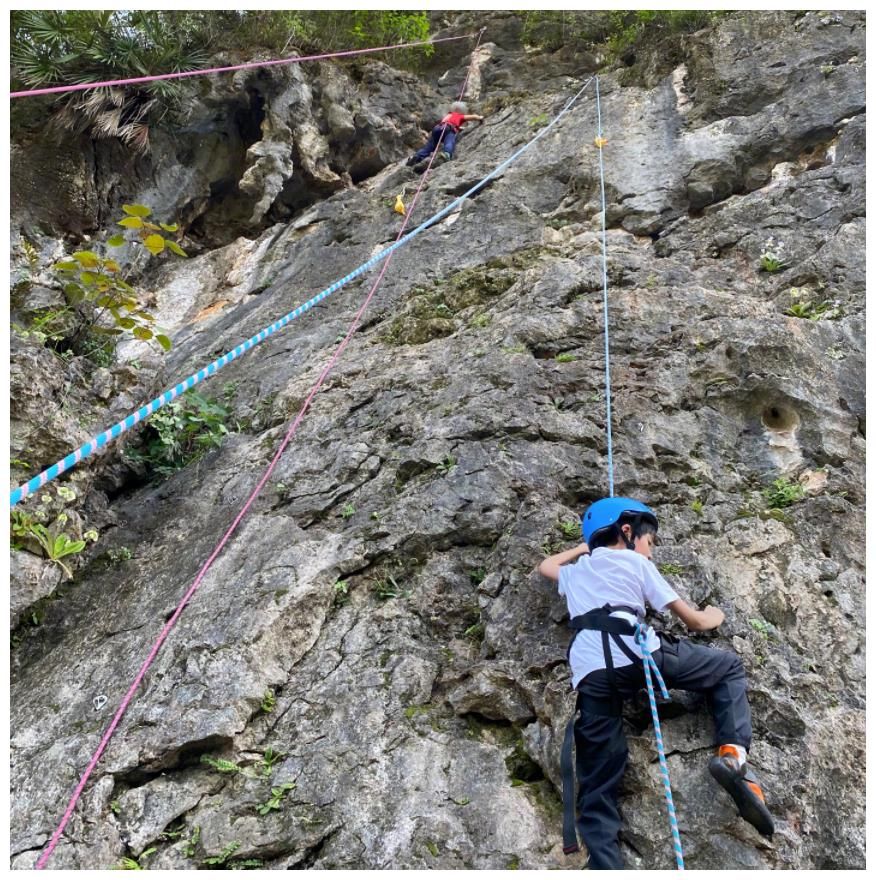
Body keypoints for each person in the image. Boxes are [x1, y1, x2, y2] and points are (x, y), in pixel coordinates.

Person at [538, 496, 774, 869]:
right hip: (637, 654)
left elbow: (546, 565)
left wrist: (586, 546)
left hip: (591, 675)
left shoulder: (577, 572)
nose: (650, 550)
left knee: (598, 780)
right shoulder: (635, 562)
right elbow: (693, 622)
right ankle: (732, 756)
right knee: (728, 668)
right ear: (627, 531)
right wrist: (715, 614)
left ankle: (604, 865)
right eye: (649, 540)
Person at [405, 101, 484, 166]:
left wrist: (458, 129)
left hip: (437, 128)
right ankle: (447, 154)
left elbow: (453, 125)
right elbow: (472, 117)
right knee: (450, 140)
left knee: (429, 146)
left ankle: (416, 157)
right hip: (448, 128)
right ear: (461, 110)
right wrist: (479, 118)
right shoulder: (459, 115)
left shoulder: (448, 115)